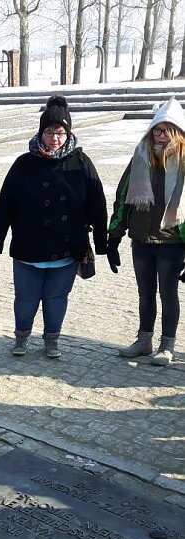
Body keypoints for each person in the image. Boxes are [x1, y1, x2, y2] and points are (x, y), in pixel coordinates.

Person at [0, 95, 107, 358]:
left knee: (56, 299)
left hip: (66, 248)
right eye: (50, 132)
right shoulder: (24, 163)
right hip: (28, 247)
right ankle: (21, 337)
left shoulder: (82, 162)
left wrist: (101, 242)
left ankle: (52, 339)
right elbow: (5, 203)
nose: (55, 138)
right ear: (41, 133)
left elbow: (98, 203)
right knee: (25, 299)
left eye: (61, 133)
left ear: (69, 133)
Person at [108, 97, 185, 366]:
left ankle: (167, 345)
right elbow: (123, 196)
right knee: (145, 293)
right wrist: (114, 234)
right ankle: (144, 340)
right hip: (141, 238)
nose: (161, 134)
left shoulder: (184, 161)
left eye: (167, 129)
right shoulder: (140, 156)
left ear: (177, 132)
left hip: (172, 241)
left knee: (168, 294)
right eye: (157, 129)